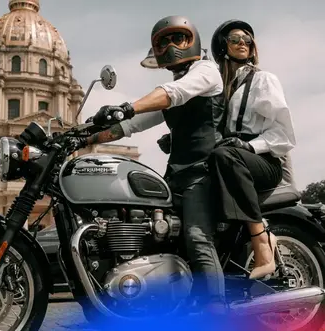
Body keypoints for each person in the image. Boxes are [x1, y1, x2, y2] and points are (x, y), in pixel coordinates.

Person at [73, 15, 227, 313]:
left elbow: (171, 95)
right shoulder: (175, 86)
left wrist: (125, 107)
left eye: (177, 38)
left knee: (196, 236)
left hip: (204, 171)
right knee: (155, 233)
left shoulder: (205, 72)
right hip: (177, 174)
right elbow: (133, 125)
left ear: (192, 39)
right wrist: (86, 137)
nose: (171, 46)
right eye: (163, 41)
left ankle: (216, 308)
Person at [208, 20, 296, 279]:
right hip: (231, 160)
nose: (243, 43)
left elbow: (284, 134)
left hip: (263, 162)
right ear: (223, 46)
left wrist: (248, 145)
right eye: (235, 39)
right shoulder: (221, 89)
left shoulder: (263, 80)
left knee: (224, 154)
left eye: (247, 39)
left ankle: (262, 241)